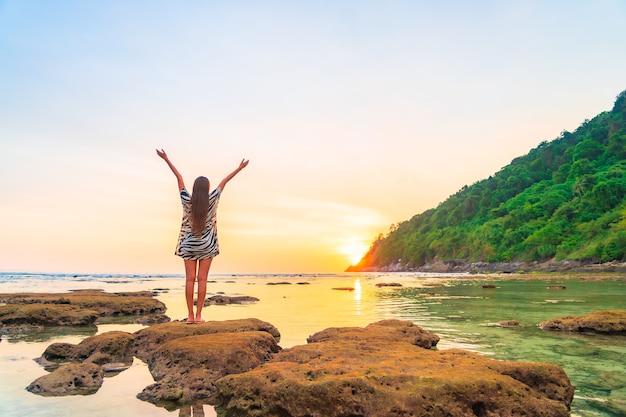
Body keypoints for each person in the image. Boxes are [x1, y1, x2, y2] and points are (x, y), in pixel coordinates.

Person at [156, 149, 249, 324]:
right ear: (207, 189)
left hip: (189, 244)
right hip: (207, 245)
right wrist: (240, 168)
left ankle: (190, 316)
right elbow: (224, 182)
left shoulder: (187, 200)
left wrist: (166, 159)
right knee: (202, 279)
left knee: (190, 279)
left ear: (194, 189)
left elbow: (179, 178)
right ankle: (199, 316)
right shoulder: (213, 199)